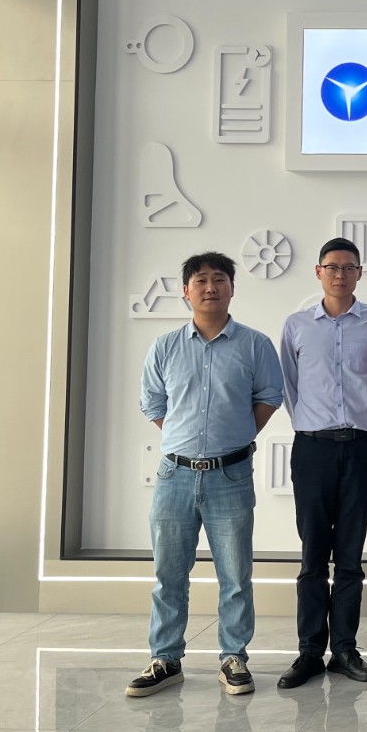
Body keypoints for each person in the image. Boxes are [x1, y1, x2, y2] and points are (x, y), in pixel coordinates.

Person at [128, 251, 284, 697]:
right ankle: (165, 658)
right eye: (200, 280)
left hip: (230, 476)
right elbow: (152, 402)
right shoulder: (165, 346)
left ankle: (233, 657)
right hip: (174, 475)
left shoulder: (254, 345)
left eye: (219, 279)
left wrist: (235, 437)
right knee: (169, 574)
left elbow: (270, 396)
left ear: (232, 288)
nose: (210, 287)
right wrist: (185, 441)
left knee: (235, 575)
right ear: (186, 291)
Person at [275, 238, 367, 689]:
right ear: (318, 272)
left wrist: (356, 419)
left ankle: (344, 649)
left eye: (348, 267)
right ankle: (309, 651)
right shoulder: (297, 325)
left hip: (361, 447)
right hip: (312, 450)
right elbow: (289, 385)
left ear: (359, 273)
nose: (340, 274)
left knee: (350, 554)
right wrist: (314, 424)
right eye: (332, 267)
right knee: (312, 556)